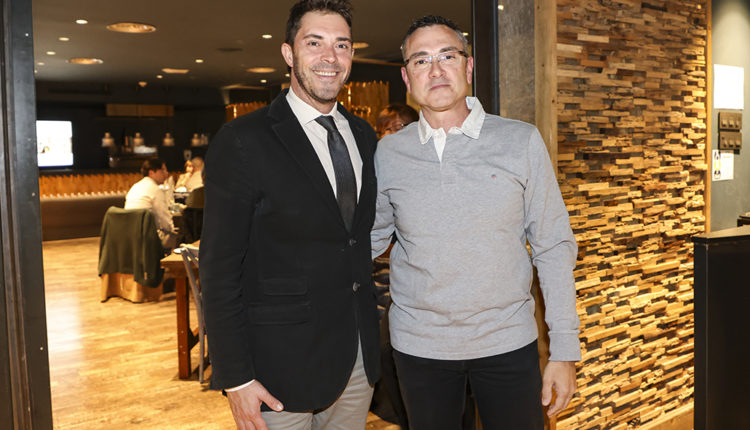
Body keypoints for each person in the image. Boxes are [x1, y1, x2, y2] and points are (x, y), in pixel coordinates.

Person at [371, 15, 580, 430]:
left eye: (447, 56)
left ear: (468, 66)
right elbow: (367, 239)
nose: (435, 70)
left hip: (508, 341)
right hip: (420, 348)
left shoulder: (520, 140)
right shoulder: (388, 154)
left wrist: (564, 350)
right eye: (421, 60)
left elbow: (553, 247)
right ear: (407, 78)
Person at [200, 1, 380, 429]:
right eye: (314, 43)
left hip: (357, 359)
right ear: (288, 53)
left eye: (342, 45)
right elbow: (218, 269)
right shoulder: (243, 140)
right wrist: (236, 377)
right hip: (277, 368)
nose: (330, 57)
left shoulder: (363, 135)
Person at [124, 158, 178, 250]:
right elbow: (165, 220)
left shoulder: (135, 186)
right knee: (176, 236)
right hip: (146, 238)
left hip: (129, 236)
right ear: (151, 172)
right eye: (163, 170)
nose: (166, 173)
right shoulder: (155, 189)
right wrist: (173, 230)